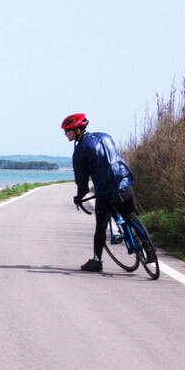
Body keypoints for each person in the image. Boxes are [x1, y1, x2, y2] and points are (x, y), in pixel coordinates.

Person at [61, 112, 137, 273]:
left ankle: (96, 261)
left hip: (106, 189)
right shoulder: (105, 136)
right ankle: (145, 247)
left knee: (101, 226)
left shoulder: (80, 150)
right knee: (130, 215)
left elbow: (82, 179)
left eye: (67, 131)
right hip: (125, 181)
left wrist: (79, 197)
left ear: (78, 131)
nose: (65, 134)